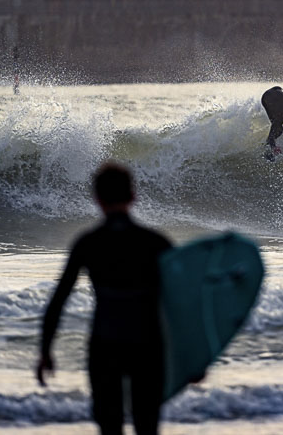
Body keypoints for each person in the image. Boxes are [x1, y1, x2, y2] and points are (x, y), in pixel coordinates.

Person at [36, 163, 172, 435]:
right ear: (133, 196)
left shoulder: (88, 242)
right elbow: (181, 302)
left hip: (105, 345)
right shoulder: (155, 242)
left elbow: (59, 299)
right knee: (147, 425)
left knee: (109, 427)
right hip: (148, 346)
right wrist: (195, 357)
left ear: (97, 199)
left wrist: (45, 351)